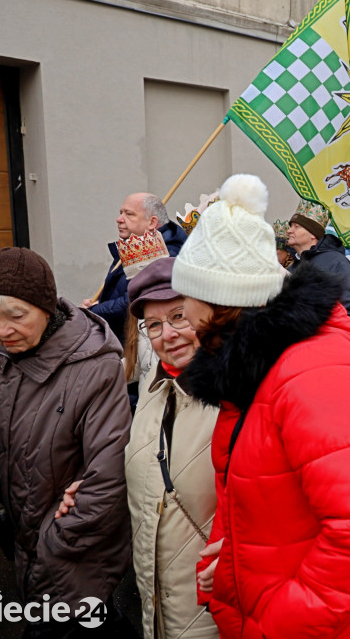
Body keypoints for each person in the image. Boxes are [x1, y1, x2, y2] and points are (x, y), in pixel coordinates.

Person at [171, 175, 350, 638]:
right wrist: (233, 567)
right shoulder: (250, 372)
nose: (180, 316)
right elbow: (264, 504)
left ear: (221, 300)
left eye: (183, 299)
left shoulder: (315, 371)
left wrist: (277, 622)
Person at [0, 247, 134, 638]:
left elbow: (107, 474)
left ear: (46, 308)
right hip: (30, 545)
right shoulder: (5, 356)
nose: (1, 330)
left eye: (16, 315)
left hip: (72, 553)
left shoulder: (94, 366)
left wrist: (54, 544)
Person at [123, 257, 220, 638]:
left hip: (217, 607)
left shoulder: (240, 396)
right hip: (157, 605)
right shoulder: (153, 391)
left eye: (180, 316)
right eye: (154, 325)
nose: (168, 334)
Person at [84, 192, 187, 345]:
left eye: (129, 214)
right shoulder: (133, 246)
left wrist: (94, 313)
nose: (119, 220)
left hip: (146, 344)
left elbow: (135, 299)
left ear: (152, 222)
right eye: (121, 213)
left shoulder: (167, 257)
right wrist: (97, 303)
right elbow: (119, 291)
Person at [286, 199, 350, 323]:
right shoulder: (292, 268)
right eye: (291, 226)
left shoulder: (336, 262)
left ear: (312, 234)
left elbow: (348, 310)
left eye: (296, 227)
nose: (289, 231)